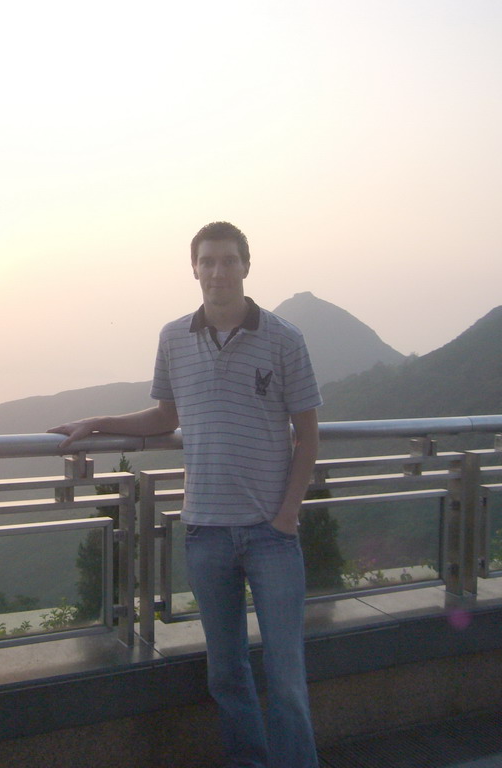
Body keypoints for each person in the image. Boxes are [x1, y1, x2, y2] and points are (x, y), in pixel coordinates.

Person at [49, 221, 321, 768]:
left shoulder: (285, 339)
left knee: (286, 676)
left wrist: (287, 516)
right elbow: (164, 416)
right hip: (205, 532)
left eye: (229, 260)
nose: (218, 271)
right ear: (193, 268)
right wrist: (101, 421)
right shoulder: (174, 337)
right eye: (208, 261)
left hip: (271, 535)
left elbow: (308, 432)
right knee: (226, 671)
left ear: (247, 265)